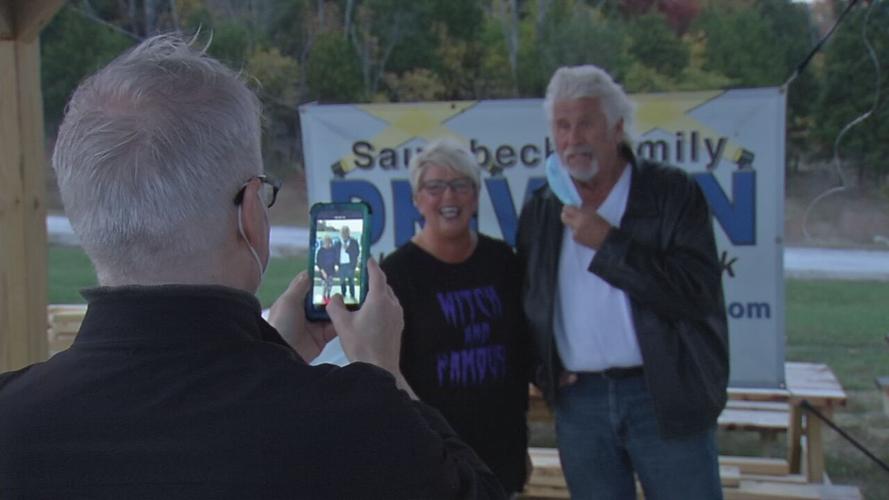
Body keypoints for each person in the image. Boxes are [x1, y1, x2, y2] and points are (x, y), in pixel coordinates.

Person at [0, 34, 505, 500]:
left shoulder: (13, 416)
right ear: (250, 211)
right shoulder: (353, 421)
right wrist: (382, 371)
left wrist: (272, 352)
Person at [516, 65, 729, 499]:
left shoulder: (671, 192)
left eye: (586, 123)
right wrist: (544, 370)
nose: (573, 138)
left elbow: (696, 293)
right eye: (562, 125)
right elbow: (527, 301)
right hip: (581, 404)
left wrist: (609, 245)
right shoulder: (542, 207)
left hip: (664, 395)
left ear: (617, 128)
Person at [381, 138, 530, 496]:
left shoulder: (502, 261)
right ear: (417, 199)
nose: (448, 197)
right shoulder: (397, 273)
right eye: (434, 187)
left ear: (475, 197)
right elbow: (388, 370)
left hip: (501, 449)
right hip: (434, 454)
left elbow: (521, 351)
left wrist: (521, 442)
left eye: (461, 185)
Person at [336, 225, 360, 301]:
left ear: (348, 233)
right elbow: (335, 254)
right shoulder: (337, 243)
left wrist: (347, 249)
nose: (344, 234)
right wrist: (336, 264)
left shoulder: (354, 242)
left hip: (350, 265)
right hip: (341, 265)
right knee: (342, 281)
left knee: (351, 281)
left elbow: (357, 252)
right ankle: (343, 294)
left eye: (346, 232)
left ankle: (352, 295)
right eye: (343, 232)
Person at [315, 235, 338, 302]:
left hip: (331, 271)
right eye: (327, 242)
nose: (328, 244)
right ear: (324, 242)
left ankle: (328, 295)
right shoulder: (320, 251)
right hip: (323, 271)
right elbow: (319, 262)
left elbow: (336, 259)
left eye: (329, 242)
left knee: (330, 285)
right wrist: (323, 272)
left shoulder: (333, 250)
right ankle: (324, 296)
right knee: (325, 285)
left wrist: (336, 265)